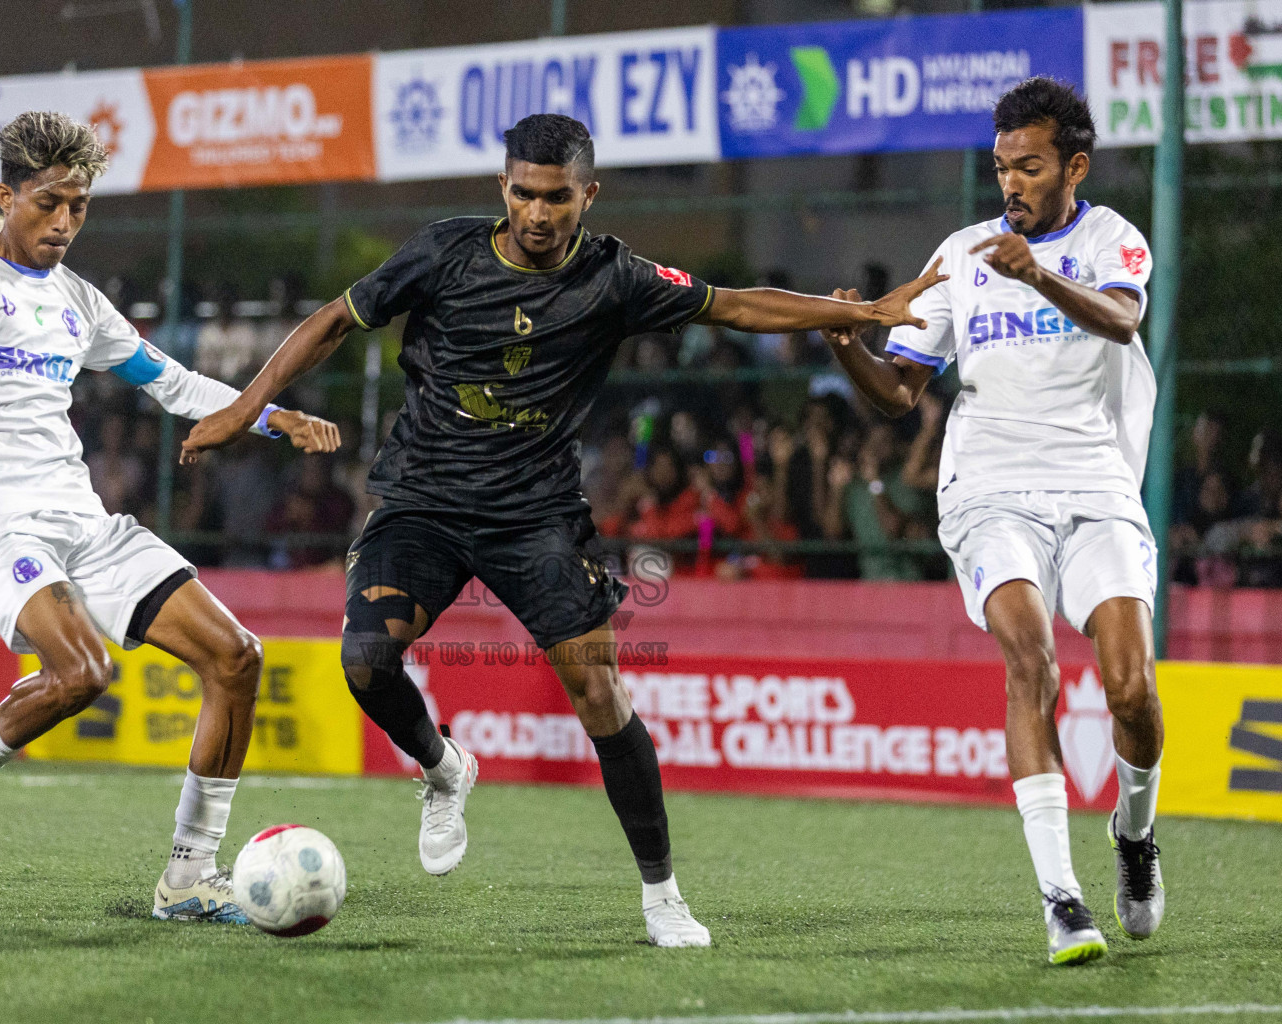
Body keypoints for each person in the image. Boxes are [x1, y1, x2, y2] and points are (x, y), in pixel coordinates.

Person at [179, 112, 943, 947]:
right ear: (502, 188)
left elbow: (734, 308)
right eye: (524, 195)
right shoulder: (444, 252)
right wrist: (243, 409)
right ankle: (444, 768)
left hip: (537, 516)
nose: (538, 215)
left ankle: (662, 898)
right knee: (364, 660)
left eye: (557, 199)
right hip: (421, 503)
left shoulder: (615, 277)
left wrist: (863, 309)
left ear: (588, 194)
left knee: (599, 694)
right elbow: (330, 322)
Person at [0, 111, 341, 923]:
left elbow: (171, 382)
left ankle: (187, 878)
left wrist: (268, 415)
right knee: (83, 673)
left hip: (81, 518)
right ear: (7, 196)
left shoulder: (78, 303)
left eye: (79, 206)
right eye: (48, 203)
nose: (65, 222)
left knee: (236, 657)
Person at [819, 78, 1163, 965]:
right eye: (1003, 165)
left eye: (1031, 166)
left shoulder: (1110, 239)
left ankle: (1133, 837)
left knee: (1132, 693)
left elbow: (1123, 324)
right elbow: (899, 393)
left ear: (1074, 166)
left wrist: (1039, 273)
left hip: (1093, 483)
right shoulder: (965, 251)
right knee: (1030, 656)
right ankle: (1061, 899)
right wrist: (847, 344)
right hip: (989, 489)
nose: (1011, 183)